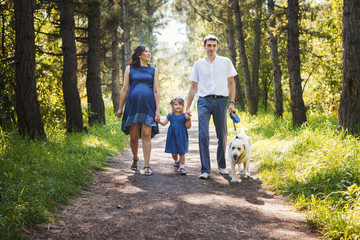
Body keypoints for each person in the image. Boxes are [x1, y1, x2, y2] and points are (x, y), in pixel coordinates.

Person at [185, 35, 237, 180]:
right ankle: (205, 169)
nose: (211, 48)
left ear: (217, 47)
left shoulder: (225, 62)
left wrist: (232, 102)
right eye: (209, 45)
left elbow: (231, 83)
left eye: (214, 45)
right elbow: (193, 86)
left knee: (222, 134)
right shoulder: (198, 64)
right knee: (203, 135)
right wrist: (188, 107)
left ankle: (221, 165)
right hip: (203, 101)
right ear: (204, 46)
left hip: (221, 101)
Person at [117, 45, 160, 176]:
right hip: (132, 105)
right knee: (134, 136)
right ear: (139, 54)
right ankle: (135, 158)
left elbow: (156, 90)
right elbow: (125, 89)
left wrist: (157, 110)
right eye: (146, 51)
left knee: (146, 135)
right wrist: (120, 108)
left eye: (149, 51)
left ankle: (147, 165)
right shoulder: (130, 69)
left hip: (148, 106)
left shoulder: (153, 70)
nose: (149, 53)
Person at [159, 97, 192, 175]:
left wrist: (189, 119)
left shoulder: (184, 115)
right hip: (172, 135)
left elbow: (188, 126)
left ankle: (182, 167)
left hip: (182, 135)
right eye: (176, 104)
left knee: (182, 152)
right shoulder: (170, 115)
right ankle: (177, 161)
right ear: (172, 106)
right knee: (174, 153)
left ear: (183, 106)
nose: (178, 106)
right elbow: (164, 123)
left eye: (180, 104)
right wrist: (158, 121)